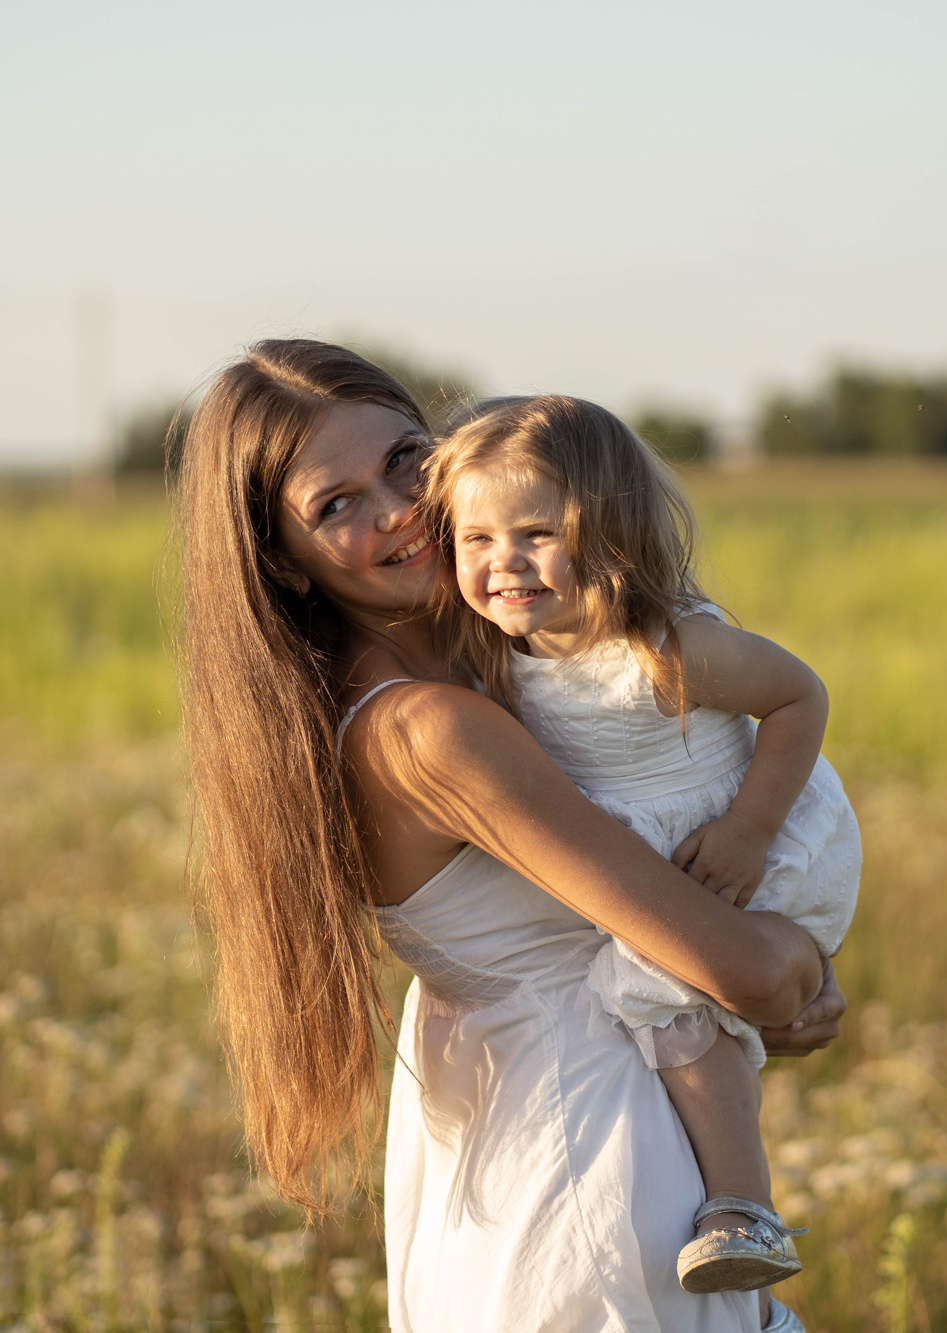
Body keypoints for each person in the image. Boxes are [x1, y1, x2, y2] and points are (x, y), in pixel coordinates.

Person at [176, 339, 845, 1332]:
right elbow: (739, 969)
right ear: (286, 562)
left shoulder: (497, 673)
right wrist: (797, 963)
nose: (398, 510)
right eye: (335, 505)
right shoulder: (430, 729)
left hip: (536, 1125)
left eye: (405, 460)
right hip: (587, 1154)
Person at [421, 395, 861, 1295]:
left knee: (667, 993)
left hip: (742, 837)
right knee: (668, 997)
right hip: (649, 860)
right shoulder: (501, 651)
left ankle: (745, 1207)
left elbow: (799, 696)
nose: (504, 561)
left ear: (609, 530)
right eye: (476, 539)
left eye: (537, 532)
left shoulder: (669, 648)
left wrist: (749, 828)